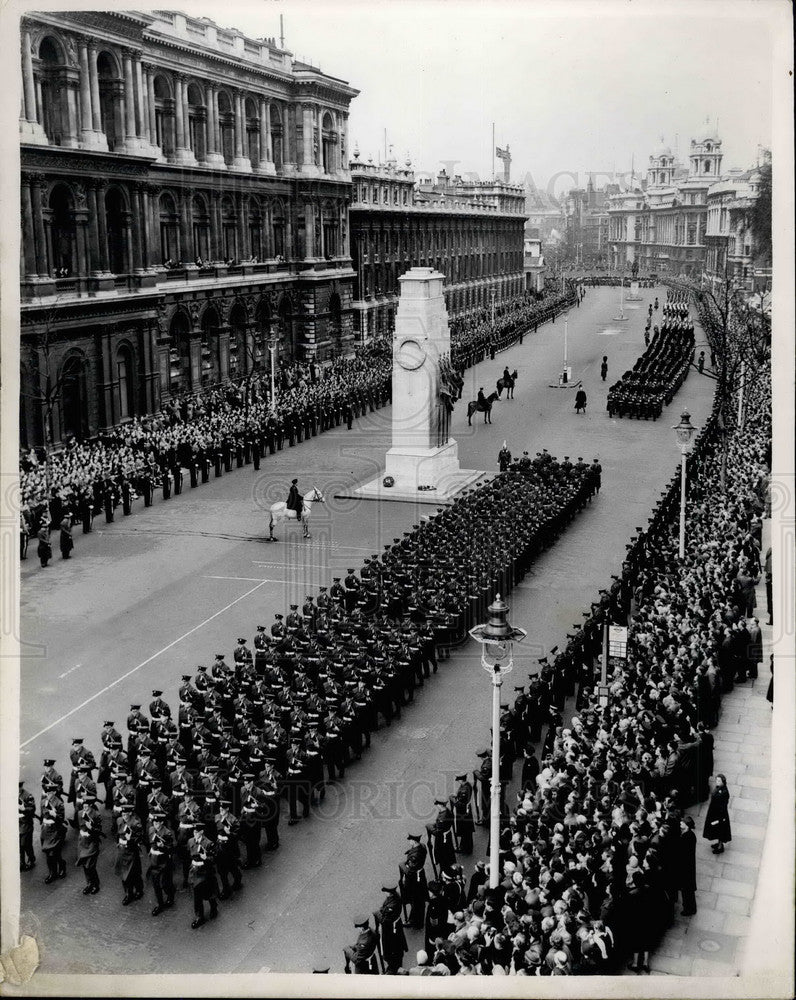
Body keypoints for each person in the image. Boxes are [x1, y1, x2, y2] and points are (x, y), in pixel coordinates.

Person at [703, 774, 732, 854]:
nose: (717, 782)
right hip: (714, 812)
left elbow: (723, 806)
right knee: (717, 830)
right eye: (716, 780)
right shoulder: (718, 788)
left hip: (720, 815)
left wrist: (719, 818)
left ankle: (720, 846)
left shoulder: (724, 792)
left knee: (720, 830)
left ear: (723, 782)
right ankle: (719, 843)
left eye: (719, 781)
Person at [677, 816, 697, 916]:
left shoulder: (687, 837)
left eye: (682, 822)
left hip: (686, 868)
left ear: (687, 825)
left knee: (686, 890)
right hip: (688, 867)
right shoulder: (690, 835)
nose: (680, 823)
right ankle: (691, 907)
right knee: (688, 889)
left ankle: (689, 909)